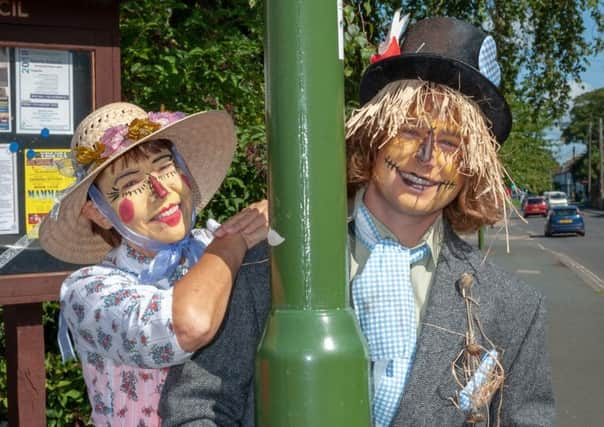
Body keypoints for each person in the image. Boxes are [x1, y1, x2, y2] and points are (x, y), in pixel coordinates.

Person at [345, 14, 554, 426]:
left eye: (451, 142)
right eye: (409, 131)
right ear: (373, 135)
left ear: (472, 166)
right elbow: (201, 406)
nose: (427, 157)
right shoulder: (273, 263)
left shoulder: (514, 307)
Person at [39, 102, 270, 426]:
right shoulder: (89, 290)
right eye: (132, 182)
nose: (162, 191)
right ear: (98, 213)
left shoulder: (217, 244)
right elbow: (188, 325)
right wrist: (234, 242)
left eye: (165, 168)